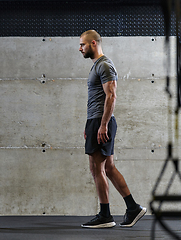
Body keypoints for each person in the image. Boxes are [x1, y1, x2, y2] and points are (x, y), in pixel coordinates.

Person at [79, 30, 146, 228]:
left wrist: (102, 125)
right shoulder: (97, 66)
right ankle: (132, 208)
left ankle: (105, 216)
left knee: (96, 168)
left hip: (101, 121)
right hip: (96, 121)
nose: (79, 48)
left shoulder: (104, 65)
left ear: (93, 43)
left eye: (82, 44)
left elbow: (111, 96)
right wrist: (89, 124)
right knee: (107, 168)